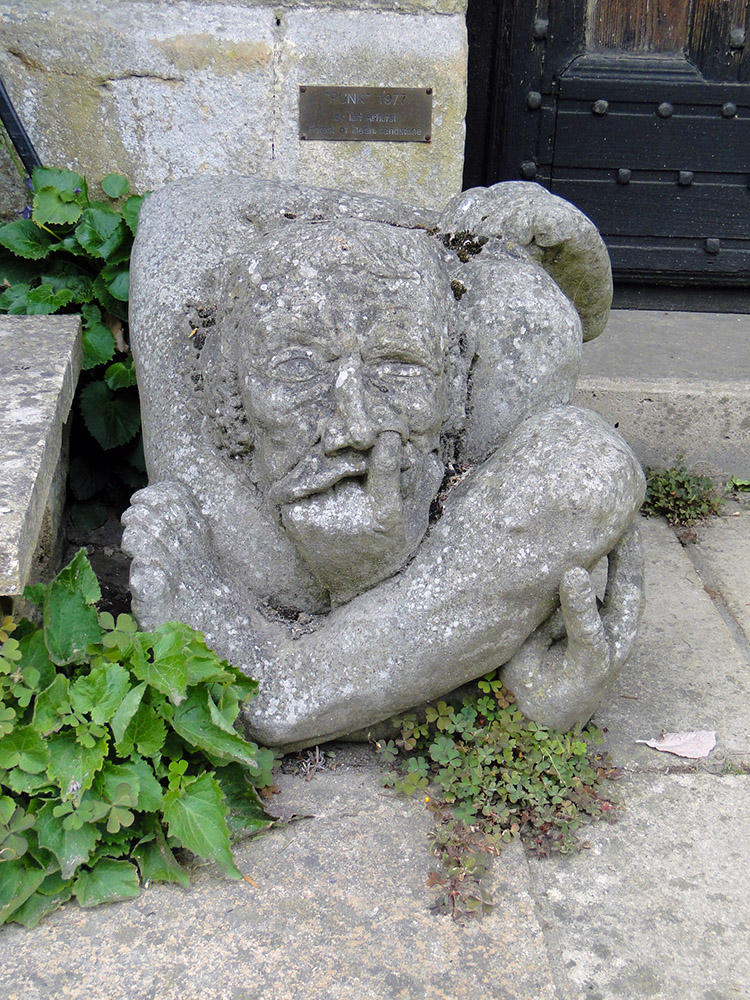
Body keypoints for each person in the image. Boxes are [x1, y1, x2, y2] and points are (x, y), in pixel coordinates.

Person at [122, 182, 645, 749]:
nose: (356, 426)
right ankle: (292, 695)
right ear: (231, 394)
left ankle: (282, 695)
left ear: (452, 391)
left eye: (397, 369)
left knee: (592, 464)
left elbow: (587, 308)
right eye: (296, 368)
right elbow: (186, 207)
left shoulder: (521, 338)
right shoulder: (186, 343)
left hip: (494, 299)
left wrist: (478, 225)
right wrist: (497, 693)